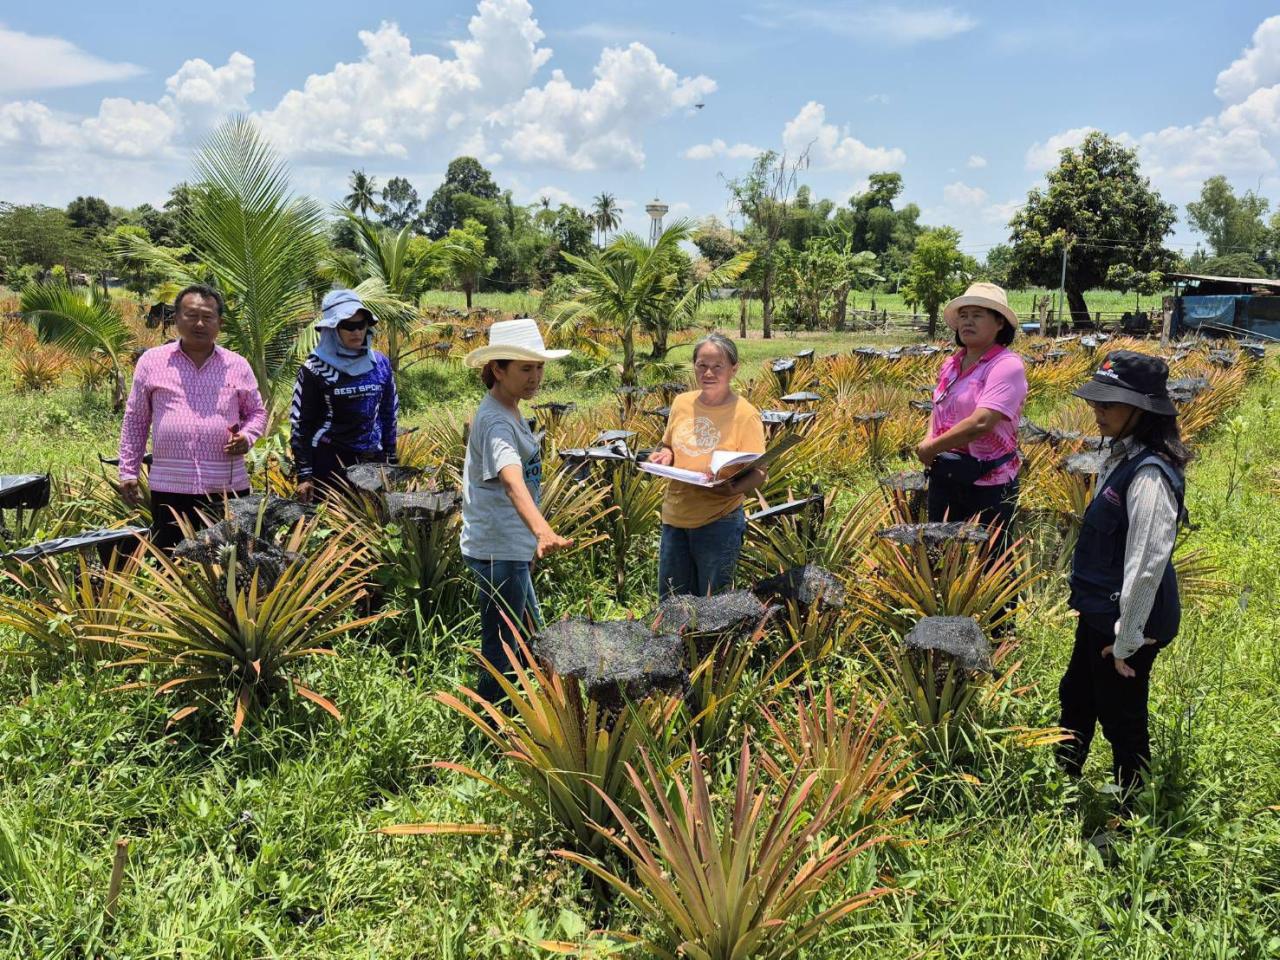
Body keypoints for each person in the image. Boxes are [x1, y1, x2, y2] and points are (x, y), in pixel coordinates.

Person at [1058, 350, 1189, 796]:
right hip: (1101, 614)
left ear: (1143, 409)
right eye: (1097, 401)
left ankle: (1131, 817)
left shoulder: (1150, 474)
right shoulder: (1121, 454)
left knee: (1122, 719)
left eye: (1109, 403)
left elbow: (1146, 566)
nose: (1098, 410)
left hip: (1126, 621)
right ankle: (1063, 786)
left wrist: (1126, 642)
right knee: (1076, 697)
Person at [460, 318, 574, 705]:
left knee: (527, 635)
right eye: (526, 368)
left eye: (540, 367)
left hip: (510, 546)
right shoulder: (495, 421)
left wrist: (529, 541)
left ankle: (529, 710)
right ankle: (489, 726)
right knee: (502, 648)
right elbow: (512, 481)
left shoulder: (507, 409)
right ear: (498, 368)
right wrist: (542, 531)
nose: (536, 377)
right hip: (498, 551)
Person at [119, 284, 268, 551]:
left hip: (226, 487)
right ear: (176, 318)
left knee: (229, 564)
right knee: (173, 564)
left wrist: (247, 437)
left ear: (219, 323)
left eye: (208, 317)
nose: (199, 323)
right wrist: (128, 470)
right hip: (170, 488)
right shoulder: (152, 362)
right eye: (190, 315)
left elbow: (256, 412)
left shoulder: (237, 365)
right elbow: (136, 420)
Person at [649, 333, 766, 599]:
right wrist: (664, 456)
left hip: (718, 522)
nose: (709, 373)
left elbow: (759, 472)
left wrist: (733, 488)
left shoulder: (745, 414)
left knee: (714, 607)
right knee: (672, 605)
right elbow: (667, 445)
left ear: (733, 369)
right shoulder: (682, 403)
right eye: (702, 365)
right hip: (675, 518)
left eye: (717, 366)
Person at [916, 282, 1027, 548]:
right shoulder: (951, 363)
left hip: (989, 480)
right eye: (963, 316)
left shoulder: (1006, 365)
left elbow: (982, 422)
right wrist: (929, 442)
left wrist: (931, 447)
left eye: (977, 315)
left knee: (991, 559)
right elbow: (939, 406)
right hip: (947, 471)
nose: (967, 322)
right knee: (939, 550)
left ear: (999, 323)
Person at [290, 289, 398, 502]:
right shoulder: (315, 369)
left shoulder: (380, 364)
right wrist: (304, 473)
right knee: (333, 529)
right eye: (348, 326)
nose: (356, 332)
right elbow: (301, 422)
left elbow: (389, 413)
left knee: (373, 526)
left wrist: (391, 456)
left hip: (372, 459)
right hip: (330, 462)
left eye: (361, 325)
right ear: (332, 328)